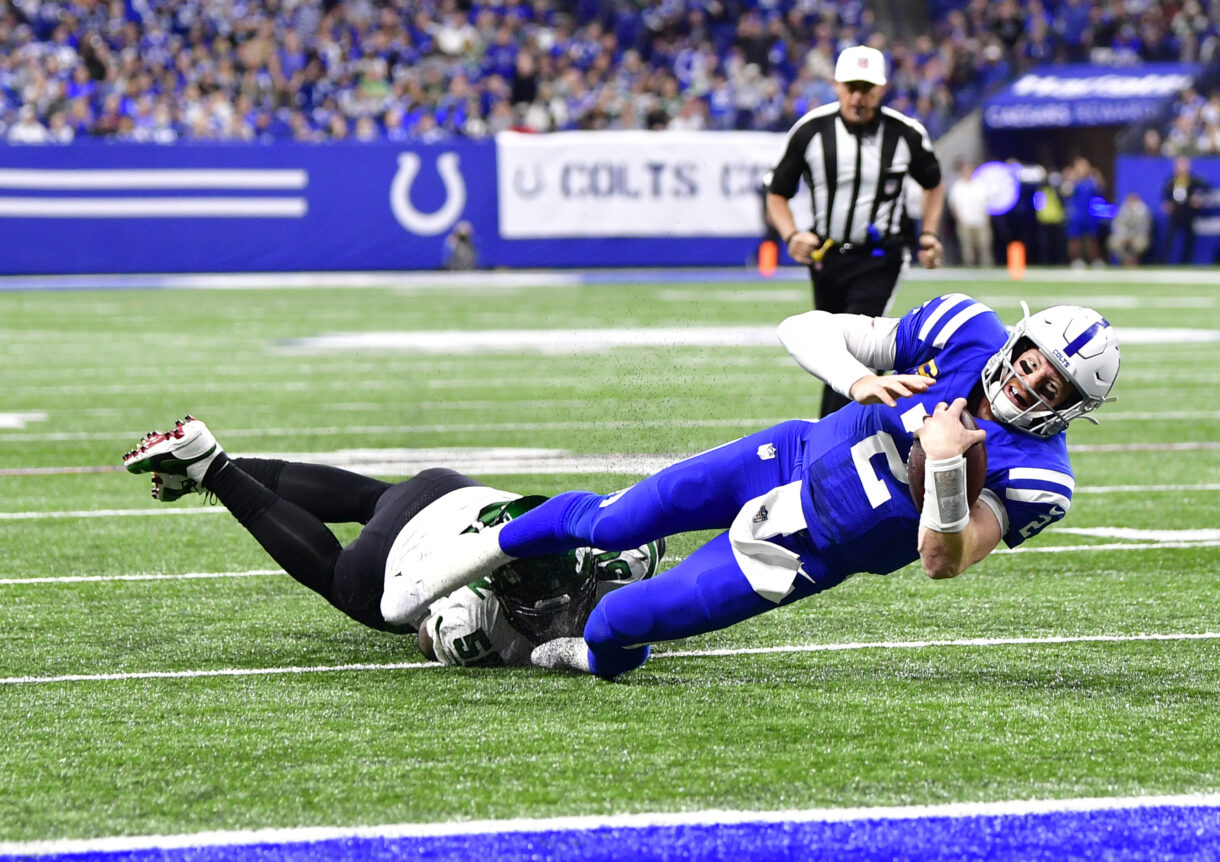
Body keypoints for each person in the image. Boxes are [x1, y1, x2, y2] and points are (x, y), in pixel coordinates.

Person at [390, 294, 1120, 679]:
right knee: (613, 522)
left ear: (1070, 408)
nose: (1027, 381)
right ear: (1016, 342)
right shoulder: (966, 330)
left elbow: (943, 559)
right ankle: (478, 552)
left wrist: (950, 474)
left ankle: (591, 655)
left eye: (1049, 383)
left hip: (804, 551)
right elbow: (801, 327)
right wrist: (861, 379)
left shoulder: (1041, 478)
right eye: (1029, 360)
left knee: (615, 627)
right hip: (787, 454)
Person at [121, 425, 663, 667]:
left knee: (369, 498)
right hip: (396, 559)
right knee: (340, 578)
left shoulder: (619, 555)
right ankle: (213, 467)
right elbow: (426, 637)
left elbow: (650, 531)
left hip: (445, 488)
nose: (555, 611)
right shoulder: (473, 617)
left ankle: (198, 468)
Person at [765, 45, 946, 418]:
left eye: (867, 88)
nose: (858, 97)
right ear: (835, 85)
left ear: (882, 89)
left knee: (859, 348)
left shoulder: (906, 134)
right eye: (851, 87)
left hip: (881, 257)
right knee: (828, 348)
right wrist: (791, 236)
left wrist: (928, 234)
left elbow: (934, 183)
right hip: (827, 256)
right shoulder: (812, 130)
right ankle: (846, 436)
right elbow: (777, 192)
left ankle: (829, 440)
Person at [1161, 156, 1209, 265]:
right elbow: (1165, 193)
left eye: (1184, 164)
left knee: (1189, 238)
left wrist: (1198, 197)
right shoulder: (1171, 180)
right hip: (1175, 213)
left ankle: (1185, 261)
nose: (1182, 167)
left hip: (1188, 212)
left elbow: (1205, 187)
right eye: (1180, 165)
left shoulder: (1193, 179)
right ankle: (1164, 261)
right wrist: (1167, 203)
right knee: (1169, 238)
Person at [947, 160, 993, 268]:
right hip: (965, 221)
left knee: (984, 245)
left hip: (980, 220)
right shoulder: (957, 186)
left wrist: (986, 218)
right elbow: (953, 204)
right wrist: (958, 218)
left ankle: (986, 266)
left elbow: (987, 202)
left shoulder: (980, 185)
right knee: (967, 247)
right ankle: (969, 266)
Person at [1107, 192, 1152, 267]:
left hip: (1138, 236)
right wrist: (1125, 236)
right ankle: (1125, 261)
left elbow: (1144, 227)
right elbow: (1117, 225)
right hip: (1123, 236)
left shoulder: (1144, 211)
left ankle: (1134, 261)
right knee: (1114, 242)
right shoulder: (1122, 210)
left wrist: (1132, 237)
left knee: (1140, 243)